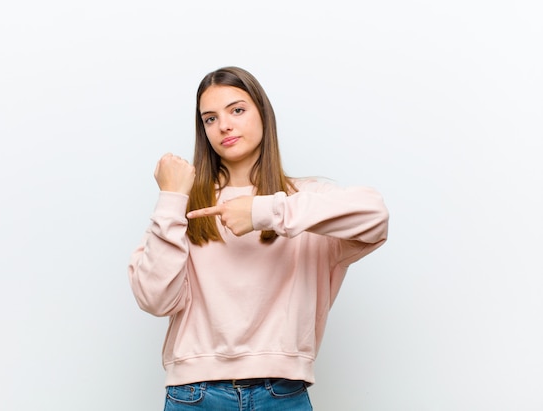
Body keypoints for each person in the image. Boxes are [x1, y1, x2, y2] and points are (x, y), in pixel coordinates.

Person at [128, 66, 389, 410]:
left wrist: (261, 212)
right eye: (209, 118)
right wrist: (172, 198)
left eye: (237, 110)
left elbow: (376, 217)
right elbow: (154, 299)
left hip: (282, 393)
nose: (224, 125)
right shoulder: (185, 207)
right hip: (194, 395)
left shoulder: (303, 202)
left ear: (264, 114)